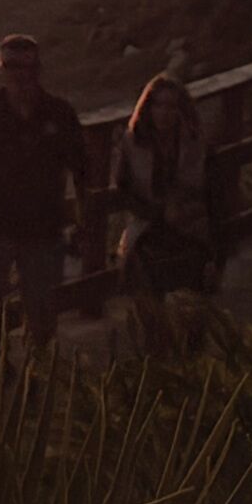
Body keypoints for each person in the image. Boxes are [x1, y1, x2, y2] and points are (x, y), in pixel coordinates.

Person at [0, 30, 92, 346]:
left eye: (28, 67)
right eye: (13, 66)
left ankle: (36, 373)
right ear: (1, 68)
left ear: (38, 69)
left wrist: (83, 221)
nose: (21, 75)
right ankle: (0, 372)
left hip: (43, 228)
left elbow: (82, 172)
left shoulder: (60, 113)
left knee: (42, 313)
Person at [107, 66, 218, 354]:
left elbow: (216, 197)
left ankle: (190, 365)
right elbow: (124, 189)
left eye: (172, 106)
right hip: (148, 231)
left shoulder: (197, 145)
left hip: (190, 231)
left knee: (191, 317)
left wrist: (218, 250)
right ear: (148, 108)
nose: (165, 113)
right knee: (151, 313)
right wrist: (154, 212)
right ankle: (156, 361)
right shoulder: (134, 143)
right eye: (158, 105)